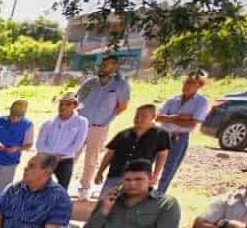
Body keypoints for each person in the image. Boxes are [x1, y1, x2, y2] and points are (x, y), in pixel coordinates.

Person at [75, 53, 132, 202]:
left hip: (99, 127)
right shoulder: (90, 83)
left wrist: (106, 119)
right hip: (80, 125)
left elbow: (123, 106)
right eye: (102, 64)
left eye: (107, 64)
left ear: (115, 67)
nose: (102, 67)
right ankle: (62, 183)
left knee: (91, 159)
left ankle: (85, 189)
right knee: (71, 154)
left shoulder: (120, 85)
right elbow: (77, 100)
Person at [95, 104, 174, 197]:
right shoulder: (123, 134)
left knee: (131, 208)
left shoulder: (161, 134)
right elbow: (110, 153)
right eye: (137, 116)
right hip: (115, 175)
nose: (138, 119)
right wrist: (100, 172)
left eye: (143, 116)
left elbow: (162, 156)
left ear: (153, 117)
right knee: (104, 206)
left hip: (139, 179)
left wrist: (155, 175)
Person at [153, 71, 210, 196]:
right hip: (163, 134)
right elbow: (158, 118)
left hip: (179, 136)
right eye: (186, 82)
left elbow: (193, 123)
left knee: (170, 166)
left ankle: (159, 193)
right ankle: (144, 188)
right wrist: (178, 117)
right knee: (150, 160)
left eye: (191, 83)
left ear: (199, 86)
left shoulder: (202, 102)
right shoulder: (173, 99)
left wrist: (171, 118)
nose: (187, 85)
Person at [35, 94, 89, 192]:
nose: (63, 107)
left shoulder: (81, 122)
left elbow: (78, 144)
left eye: (68, 104)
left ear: (74, 106)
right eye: (61, 104)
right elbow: (39, 144)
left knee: (62, 190)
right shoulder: (48, 122)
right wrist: (51, 155)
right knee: (38, 186)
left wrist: (60, 156)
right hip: (46, 159)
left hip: (65, 160)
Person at [0, 99, 35, 194]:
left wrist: (17, 148)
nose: (14, 118)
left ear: (23, 115)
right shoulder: (0, 121)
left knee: (1, 193)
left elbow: (29, 144)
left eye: (18, 116)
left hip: (9, 164)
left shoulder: (28, 125)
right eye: (13, 115)